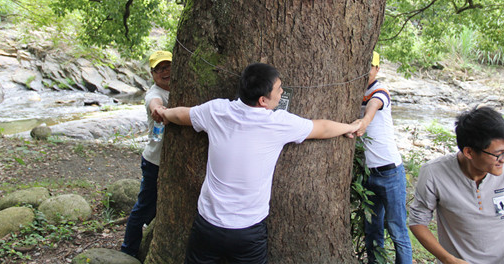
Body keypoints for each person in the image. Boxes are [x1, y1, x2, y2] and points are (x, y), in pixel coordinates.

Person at [154, 62, 362, 264]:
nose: (282, 92)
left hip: (208, 225)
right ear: (263, 100)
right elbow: (322, 128)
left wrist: (164, 113)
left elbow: (182, 115)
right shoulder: (278, 123)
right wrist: (350, 127)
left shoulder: (217, 110)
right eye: (278, 89)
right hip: (248, 230)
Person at [408, 106, 504, 264]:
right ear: (469, 152)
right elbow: (418, 221)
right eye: (498, 154)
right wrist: (448, 259)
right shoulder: (434, 173)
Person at [357, 51, 412, 264]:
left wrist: (364, 122)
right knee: (372, 229)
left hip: (390, 172)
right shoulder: (354, 92)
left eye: (370, 66)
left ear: (377, 69)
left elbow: (374, 105)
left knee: (397, 229)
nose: (365, 71)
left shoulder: (380, 90)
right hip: (368, 174)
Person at [121, 50, 172, 258]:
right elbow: (155, 104)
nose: (165, 72)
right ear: (152, 74)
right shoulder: (154, 93)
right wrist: (159, 110)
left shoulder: (181, 88)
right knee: (143, 208)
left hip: (169, 163)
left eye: (168, 66)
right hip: (155, 162)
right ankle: (128, 251)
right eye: (160, 69)